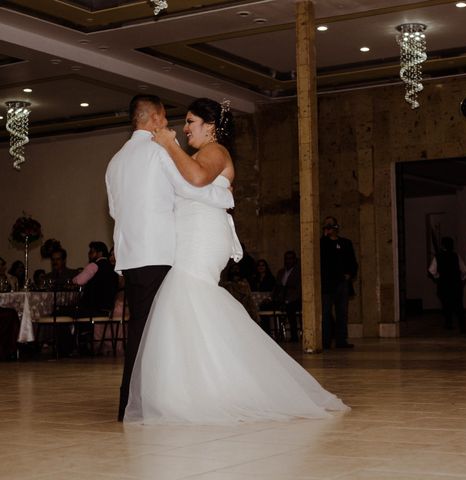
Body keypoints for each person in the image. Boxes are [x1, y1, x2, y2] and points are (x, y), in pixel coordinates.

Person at [124, 97, 348, 424]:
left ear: (210, 126)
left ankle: (210, 389)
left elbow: (198, 179)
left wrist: (170, 145)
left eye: (190, 122)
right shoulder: (198, 154)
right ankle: (199, 388)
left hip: (202, 236)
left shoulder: (216, 152)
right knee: (186, 302)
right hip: (191, 234)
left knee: (185, 294)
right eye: (184, 123)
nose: (184, 128)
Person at [106, 94, 236, 422]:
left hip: (131, 254)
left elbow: (114, 209)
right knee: (158, 332)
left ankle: (134, 402)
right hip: (160, 251)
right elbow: (190, 187)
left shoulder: (115, 161)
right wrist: (224, 193)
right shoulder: (158, 152)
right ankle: (148, 401)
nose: (171, 127)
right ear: (154, 119)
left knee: (145, 328)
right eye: (165, 119)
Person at [320, 216, 358, 349]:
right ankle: (325, 341)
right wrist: (325, 238)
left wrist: (350, 274)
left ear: (336, 226)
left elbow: (353, 262)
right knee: (325, 314)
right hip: (327, 284)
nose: (329, 227)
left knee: (342, 313)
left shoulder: (346, 243)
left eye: (331, 225)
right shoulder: (322, 244)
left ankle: (341, 340)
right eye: (326, 225)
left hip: (342, 283)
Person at [428, 236, 466, 333]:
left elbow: (432, 270)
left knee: (446, 305)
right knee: (459, 306)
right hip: (456, 285)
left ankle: (448, 323)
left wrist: (438, 277)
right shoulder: (456, 256)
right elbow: (464, 270)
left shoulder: (438, 257)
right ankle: (462, 327)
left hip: (444, 285)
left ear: (442, 245)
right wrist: (461, 279)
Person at [273, 250, 302, 342]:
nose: (288, 261)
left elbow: (299, 289)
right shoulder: (281, 272)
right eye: (286, 259)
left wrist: (289, 300)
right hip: (282, 297)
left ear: (295, 259)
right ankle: (268, 335)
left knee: (290, 308)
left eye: (291, 258)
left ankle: (294, 336)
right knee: (265, 306)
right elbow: (277, 286)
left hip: (295, 299)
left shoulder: (299, 271)